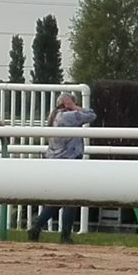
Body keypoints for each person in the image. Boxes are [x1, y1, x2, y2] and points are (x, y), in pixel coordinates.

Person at [29, 93, 98, 244]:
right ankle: (63, 235)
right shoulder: (68, 116)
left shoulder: (56, 116)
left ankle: (37, 227)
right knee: (70, 200)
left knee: (61, 198)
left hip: (56, 160)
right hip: (68, 161)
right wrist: (74, 107)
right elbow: (91, 115)